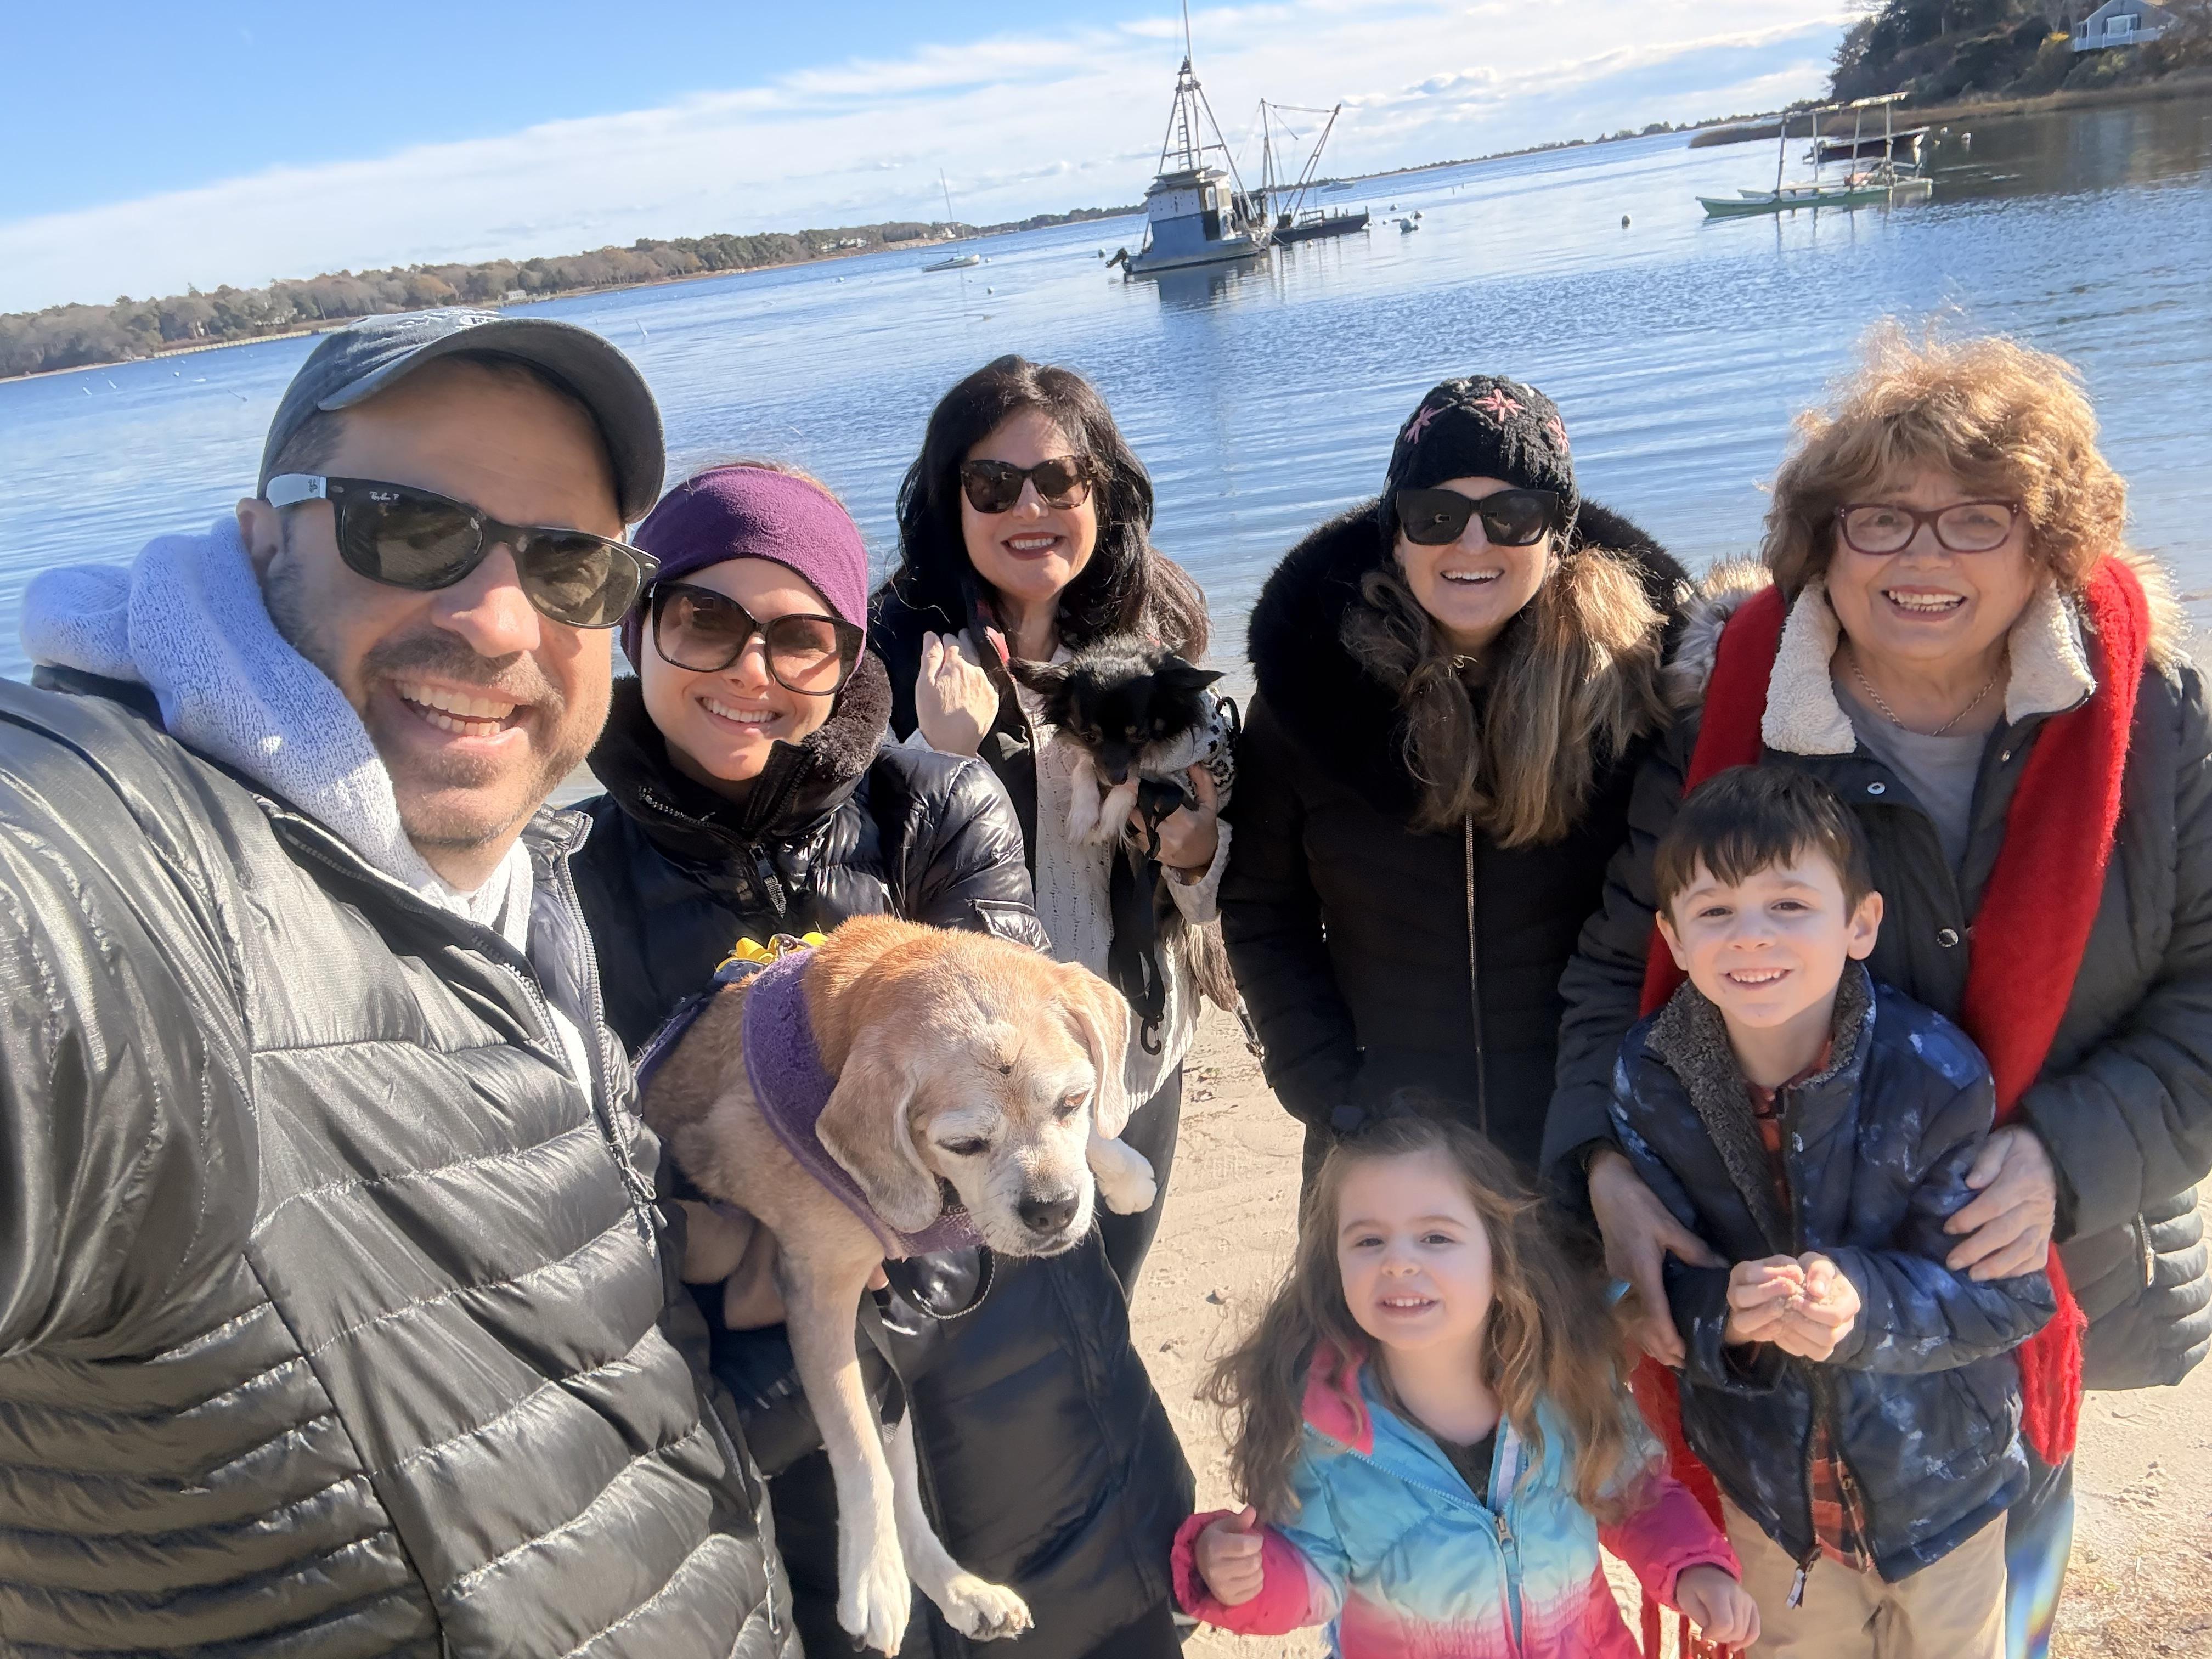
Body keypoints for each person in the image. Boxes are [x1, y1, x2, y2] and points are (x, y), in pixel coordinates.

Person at [3, 310, 789, 1652]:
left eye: (570, 568)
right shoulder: (129, 873)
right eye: (406, 527)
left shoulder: (519, 887)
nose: (496, 620)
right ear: (263, 539)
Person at [1547, 327, 2212, 1659]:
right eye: (1881, 520)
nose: (1923, 558)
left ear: (2050, 543)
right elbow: (1621, 972)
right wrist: (1600, 1176)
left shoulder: (2154, 721)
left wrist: (2062, 1160)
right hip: (1774, 1301)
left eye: (1979, 518)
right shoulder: (1729, 726)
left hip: (2034, 1274)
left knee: (1999, 1618)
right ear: (1820, 546)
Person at [575, 461, 1192, 1659]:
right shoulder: (563, 885)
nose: (751, 671)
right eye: (704, 620)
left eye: (800, 636)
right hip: (792, 1450)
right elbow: (590, 1206)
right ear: (638, 625)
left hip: (1034, 1387)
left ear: (852, 649)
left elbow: (1016, 1073)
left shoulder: (938, 804)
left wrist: (843, 1252)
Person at [1612, 766, 2056, 1657]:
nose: (1751, 937)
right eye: (1714, 912)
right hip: (1769, 1499)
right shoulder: (1651, 1079)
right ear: (1673, 935)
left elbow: (2010, 1298)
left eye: (1787, 904)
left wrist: (1864, 1304)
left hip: (1944, 1488)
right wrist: (1724, 1318)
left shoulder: (1933, 1072)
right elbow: (1644, 1290)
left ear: (1860, 923)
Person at [1221, 374, 1688, 1182]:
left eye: (1512, 515)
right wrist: (1333, 1095)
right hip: (1380, 1138)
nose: (1473, 545)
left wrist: (1627, 1110)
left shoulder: (1639, 690)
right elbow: (1264, 910)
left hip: (1594, 1138)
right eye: (1436, 515)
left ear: (1559, 531)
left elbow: (1684, 911)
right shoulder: (1316, 695)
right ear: (1397, 535)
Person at [872, 353, 1223, 1289]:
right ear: (950, 501)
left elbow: (1213, 870)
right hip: (983, 1098)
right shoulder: (890, 659)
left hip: (1133, 1047)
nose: (1028, 508)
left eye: (1057, 480)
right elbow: (858, 898)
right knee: (1012, 1346)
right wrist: (940, 757)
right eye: (992, 484)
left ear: (1099, 493)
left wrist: (1197, 855)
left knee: (1113, 1305)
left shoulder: (1154, 649)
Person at [1169, 1115, 1758, 1656]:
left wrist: (1693, 1568)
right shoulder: (1326, 1430)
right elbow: (1311, 1577)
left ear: (1501, 1259)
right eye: (1368, 1240)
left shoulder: (1564, 1382)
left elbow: (1634, 1495)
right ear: (1335, 1265)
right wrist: (1243, 1577)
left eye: (1436, 1238)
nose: (1398, 1261)